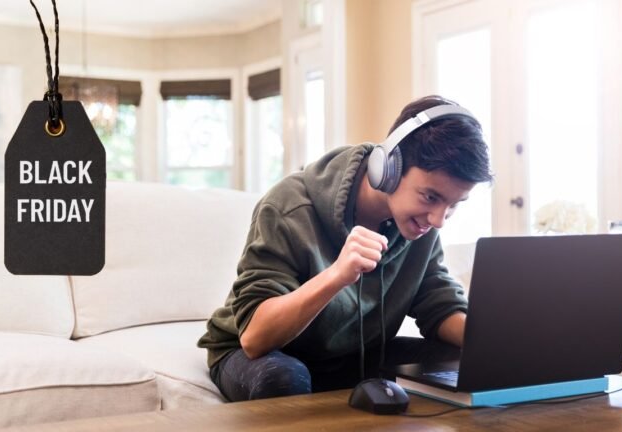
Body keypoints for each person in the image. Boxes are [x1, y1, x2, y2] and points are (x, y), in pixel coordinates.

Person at [198, 95, 494, 402]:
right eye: (430, 197)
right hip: (263, 356)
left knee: (463, 362)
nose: (439, 219)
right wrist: (337, 275)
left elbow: (438, 304)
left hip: (356, 356)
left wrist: (496, 341)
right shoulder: (289, 207)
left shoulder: (422, 224)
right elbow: (255, 338)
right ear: (389, 167)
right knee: (283, 378)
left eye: (454, 205)